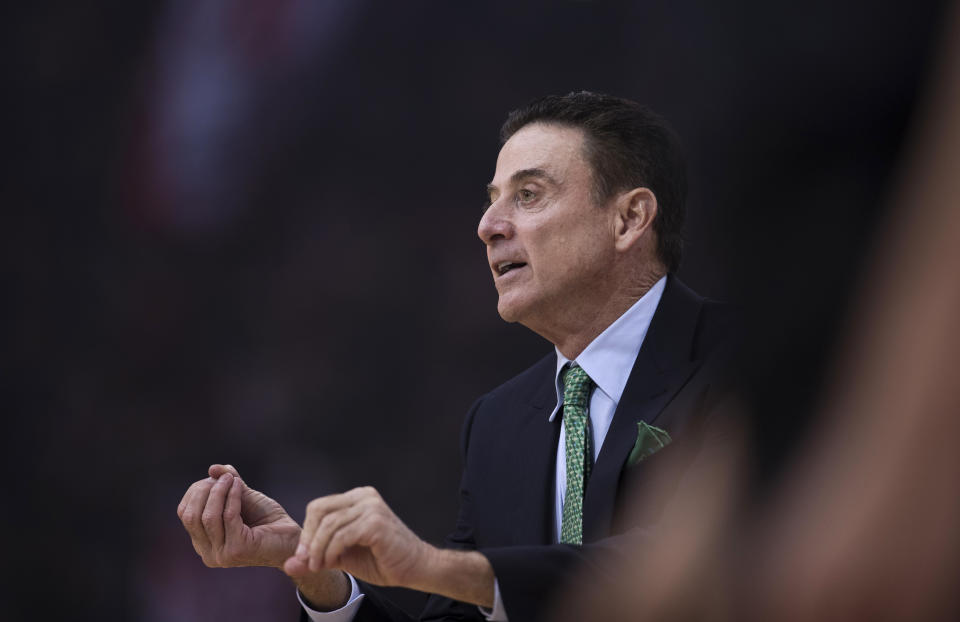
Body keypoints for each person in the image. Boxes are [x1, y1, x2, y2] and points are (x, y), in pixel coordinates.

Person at [178, 91, 733, 622]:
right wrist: (313, 569)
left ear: (629, 219)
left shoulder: (743, 361)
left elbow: (685, 565)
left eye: (529, 195)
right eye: (492, 200)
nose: (488, 226)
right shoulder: (496, 424)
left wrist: (433, 567)